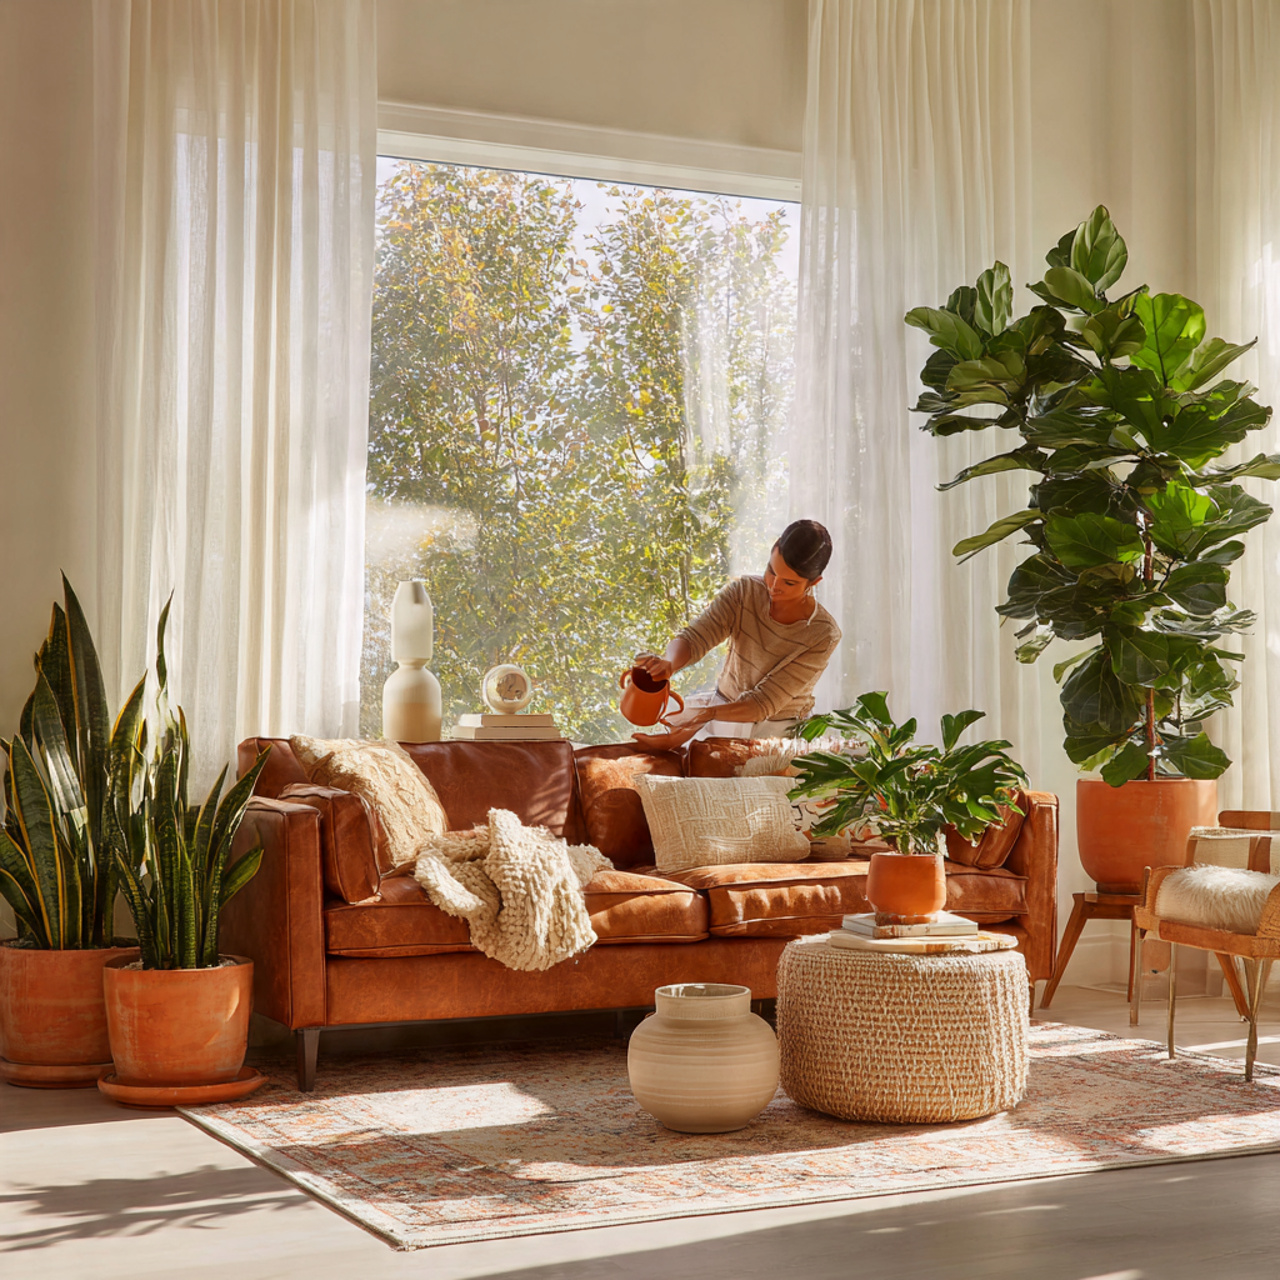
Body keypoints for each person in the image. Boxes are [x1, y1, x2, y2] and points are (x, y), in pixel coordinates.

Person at [631, 519, 841, 750]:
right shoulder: (745, 592)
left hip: (775, 734)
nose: (773, 585)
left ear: (814, 582)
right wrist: (668, 665)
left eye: (789, 583)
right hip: (722, 712)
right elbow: (696, 637)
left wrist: (702, 717)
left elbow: (761, 703)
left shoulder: (822, 634)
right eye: (771, 570)